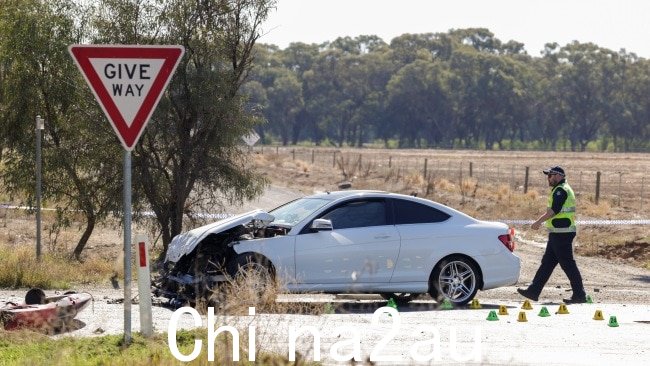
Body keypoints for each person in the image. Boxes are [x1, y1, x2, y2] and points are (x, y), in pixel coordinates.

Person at [517, 166, 587, 304]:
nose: (548, 178)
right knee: (547, 264)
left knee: (568, 264)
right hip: (558, 232)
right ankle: (533, 291)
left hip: (562, 233)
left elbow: (554, 211)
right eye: (548, 176)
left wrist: (538, 222)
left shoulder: (561, 190)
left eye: (550, 175)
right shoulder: (559, 189)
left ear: (558, 176)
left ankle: (580, 294)